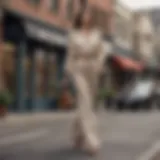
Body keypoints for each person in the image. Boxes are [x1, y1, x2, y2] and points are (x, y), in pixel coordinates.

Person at [64, 1, 107, 156]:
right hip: (79, 69)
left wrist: (99, 65)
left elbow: (102, 52)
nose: (86, 16)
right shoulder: (73, 34)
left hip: (93, 70)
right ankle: (92, 141)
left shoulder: (97, 34)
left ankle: (76, 135)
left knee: (86, 104)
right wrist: (67, 74)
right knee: (85, 102)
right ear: (80, 16)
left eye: (88, 13)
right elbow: (70, 56)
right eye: (83, 13)